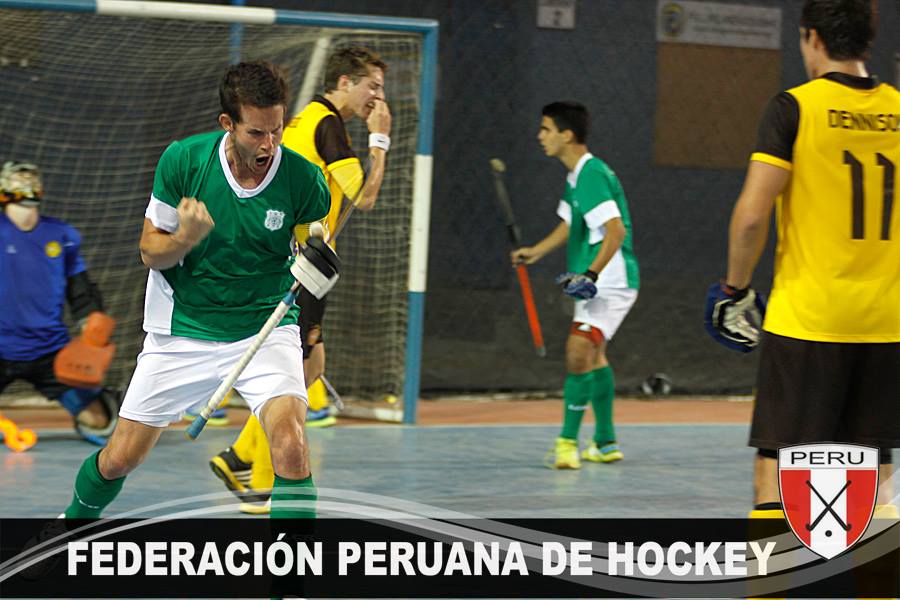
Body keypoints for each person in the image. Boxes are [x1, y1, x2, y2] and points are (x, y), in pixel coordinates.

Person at [54, 60, 337, 524]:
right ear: (228, 123)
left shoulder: (304, 180)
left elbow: (313, 251)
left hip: (264, 328)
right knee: (120, 458)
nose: (269, 144)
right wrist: (185, 238)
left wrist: (318, 284)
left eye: (277, 130)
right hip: (183, 328)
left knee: (290, 445)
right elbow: (150, 252)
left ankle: (292, 567)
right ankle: (68, 525)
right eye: (256, 133)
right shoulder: (184, 161)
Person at [704, 0, 898, 522]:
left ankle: (775, 571)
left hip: (809, 318)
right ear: (868, 39)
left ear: (812, 37)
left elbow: (752, 217)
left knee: (777, 469)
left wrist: (733, 290)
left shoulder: (794, 107)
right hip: (886, 322)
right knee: (874, 482)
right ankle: (878, 569)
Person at [210, 46, 392, 513]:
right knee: (291, 377)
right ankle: (260, 480)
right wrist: (380, 140)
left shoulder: (307, 119)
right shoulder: (327, 124)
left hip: (291, 260)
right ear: (345, 83)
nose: (378, 96)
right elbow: (364, 196)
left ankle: (240, 456)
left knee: (310, 368)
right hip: (299, 265)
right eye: (372, 85)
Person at [512, 101, 639, 470]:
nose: (540, 136)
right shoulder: (575, 177)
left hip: (610, 278)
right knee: (594, 357)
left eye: (546, 129)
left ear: (566, 135)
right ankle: (605, 442)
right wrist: (535, 252)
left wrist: (592, 275)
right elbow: (571, 224)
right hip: (597, 278)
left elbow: (616, 232)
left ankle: (567, 442)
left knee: (577, 351)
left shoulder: (591, 174)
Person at [0, 161, 117, 446]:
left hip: (49, 350)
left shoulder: (62, 235)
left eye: (31, 178)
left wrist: (91, 320)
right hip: (1, 347)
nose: (27, 183)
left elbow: (80, 288)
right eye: (19, 178)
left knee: (101, 422)